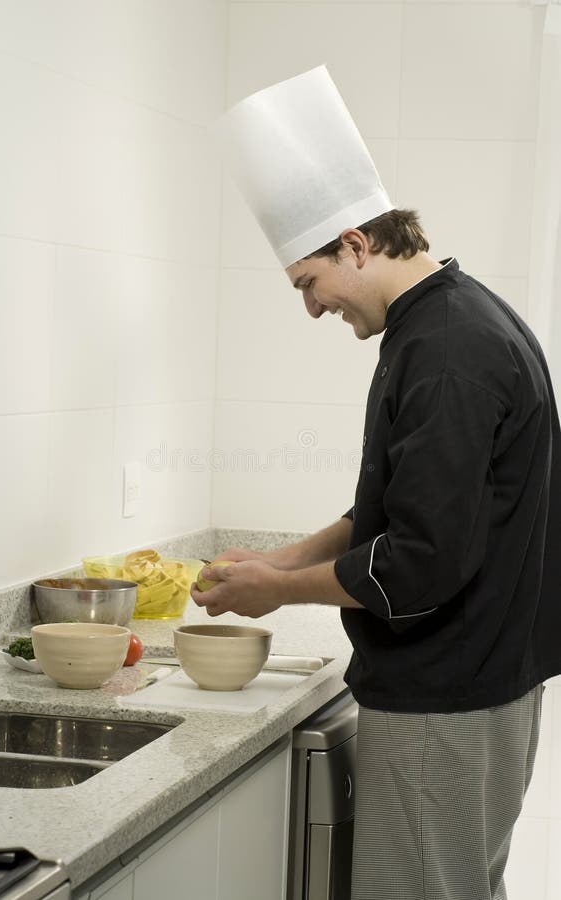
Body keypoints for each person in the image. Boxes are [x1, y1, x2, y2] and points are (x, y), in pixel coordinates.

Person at [191, 66, 561, 900]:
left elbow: (416, 562)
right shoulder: (454, 322)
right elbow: (397, 509)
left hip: (445, 701)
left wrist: (279, 593)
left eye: (308, 284)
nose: (314, 308)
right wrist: (280, 562)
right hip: (481, 688)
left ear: (355, 244)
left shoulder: (446, 353)